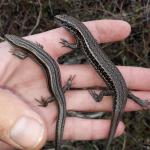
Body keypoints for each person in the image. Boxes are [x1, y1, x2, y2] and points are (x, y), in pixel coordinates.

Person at [0, 19, 149, 150]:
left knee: (115, 93)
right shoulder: (83, 38)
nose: (59, 22)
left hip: (114, 86)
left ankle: (116, 104)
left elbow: (76, 46)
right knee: (126, 93)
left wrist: (98, 96)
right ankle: (138, 102)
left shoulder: (80, 40)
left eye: (64, 24)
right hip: (117, 85)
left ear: (73, 29)